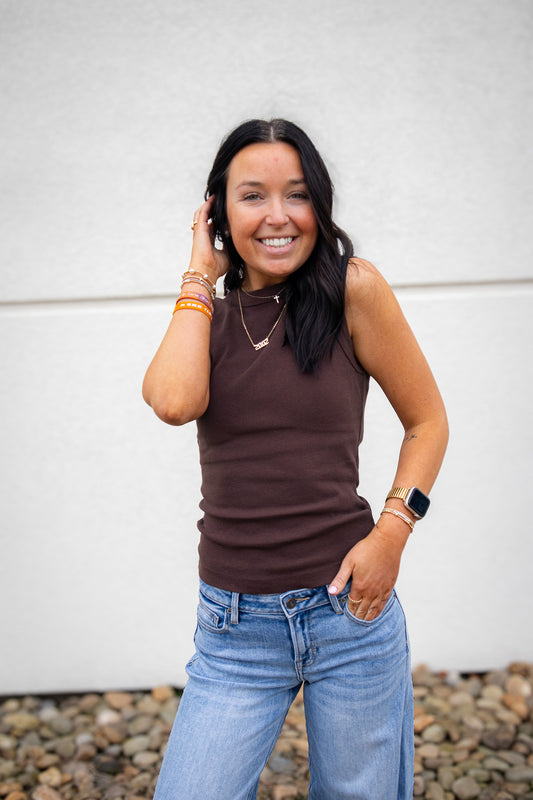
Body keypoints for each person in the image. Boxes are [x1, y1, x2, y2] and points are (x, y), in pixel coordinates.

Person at [142, 118, 448, 800]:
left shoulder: (352, 290)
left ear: (320, 206)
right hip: (234, 629)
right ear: (218, 211)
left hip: (350, 611)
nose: (278, 216)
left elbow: (427, 421)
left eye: (298, 194)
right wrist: (199, 274)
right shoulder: (206, 319)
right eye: (252, 196)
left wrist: (392, 533)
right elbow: (171, 401)